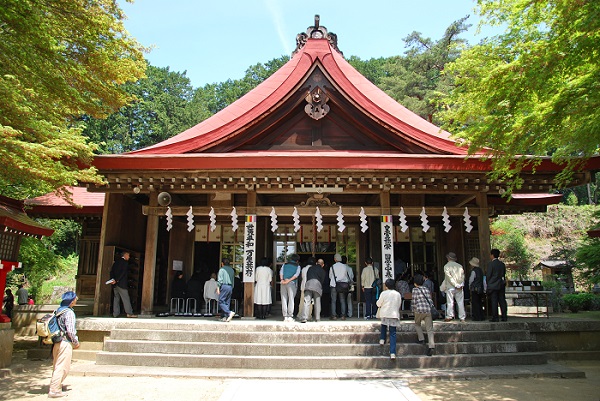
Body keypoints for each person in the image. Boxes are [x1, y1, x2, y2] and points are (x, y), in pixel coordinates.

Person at [48, 291, 80, 398]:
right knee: (62, 367)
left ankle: (56, 385)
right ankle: (54, 390)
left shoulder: (58, 311)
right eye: (75, 298)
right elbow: (70, 330)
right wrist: (75, 341)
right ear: (71, 301)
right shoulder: (69, 313)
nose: (76, 299)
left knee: (57, 365)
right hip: (65, 342)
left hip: (56, 342)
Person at [376, 279, 402, 360]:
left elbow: (379, 303)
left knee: (383, 325)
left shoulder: (384, 293)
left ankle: (382, 339)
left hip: (385, 313)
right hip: (394, 314)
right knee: (393, 333)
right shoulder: (397, 294)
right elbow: (399, 304)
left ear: (386, 286)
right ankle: (393, 353)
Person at [412, 274, 436, 356]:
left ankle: (421, 338)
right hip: (428, 310)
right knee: (429, 329)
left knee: (417, 324)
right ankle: (431, 346)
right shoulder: (426, 289)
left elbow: (414, 301)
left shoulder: (415, 290)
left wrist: (413, 310)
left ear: (415, 283)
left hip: (419, 310)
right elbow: (430, 300)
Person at [109, 251, 137, 318]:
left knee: (116, 298)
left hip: (114, 284)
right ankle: (129, 313)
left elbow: (111, 272)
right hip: (121, 283)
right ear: (125, 255)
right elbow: (123, 273)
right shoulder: (124, 263)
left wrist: (113, 279)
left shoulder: (116, 262)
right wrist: (117, 280)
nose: (129, 257)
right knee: (126, 298)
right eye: (128, 255)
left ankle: (115, 313)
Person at [441, 252, 466, 322]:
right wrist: (460, 284)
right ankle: (462, 317)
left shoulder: (446, 266)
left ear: (448, 258)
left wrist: (455, 284)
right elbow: (462, 276)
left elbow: (449, 277)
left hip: (450, 286)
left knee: (450, 302)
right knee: (460, 302)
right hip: (459, 286)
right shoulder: (460, 266)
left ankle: (449, 316)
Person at [300, 257, 326, 323]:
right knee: (317, 302)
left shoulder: (310, 268)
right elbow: (322, 281)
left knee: (307, 301)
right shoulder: (323, 271)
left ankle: (304, 318)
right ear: (323, 265)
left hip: (308, 285)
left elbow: (308, 276)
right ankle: (317, 318)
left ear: (316, 263)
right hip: (317, 286)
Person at [487, 249, 508, 322]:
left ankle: (495, 317)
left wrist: (488, 283)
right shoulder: (502, 264)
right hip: (501, 284)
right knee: (502, 300)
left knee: (494, 301)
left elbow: (489, 275)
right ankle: (504, 316)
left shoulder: (491, 264)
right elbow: (504, 274)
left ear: (492, 255)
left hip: (493, 284)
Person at [280, 253, 300, 322]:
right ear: (297, 260)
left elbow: (281, 273)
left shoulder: (284, 265)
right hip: (292, 283)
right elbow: (296, 275)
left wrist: (282, 280)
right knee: (291, 299)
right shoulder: (297, 266)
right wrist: (289, 280)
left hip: (283, 283)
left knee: (284, 299)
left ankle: (285, 316)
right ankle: (290, 316)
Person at [329, 253, 350, 320]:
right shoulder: (344, 266)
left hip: (334, 285)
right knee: (342, 300)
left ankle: (334, 315)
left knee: (333, 300)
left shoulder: (332, 267)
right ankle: (343, 315)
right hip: (342, 285)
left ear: (335, 259)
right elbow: (346, 276)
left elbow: (330, 276)